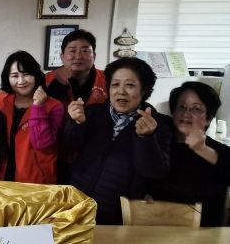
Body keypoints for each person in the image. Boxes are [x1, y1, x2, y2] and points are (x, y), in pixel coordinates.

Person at [64, 57, 171, 225]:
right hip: (76, 205)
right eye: (115, 84)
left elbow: (153, 171)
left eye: (130, 85)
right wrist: (76, 123)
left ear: (144, 90)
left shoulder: (158, 125)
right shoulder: (92, 113)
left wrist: (146, 138)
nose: (121, 91)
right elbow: (70, 147)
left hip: (117, 216)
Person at [148, 82, 230, 226]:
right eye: (181, 106)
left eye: (196, 108)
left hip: (203, 233)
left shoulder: (219, 151)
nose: (186, 113)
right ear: (173, 113)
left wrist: (203, 150)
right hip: (155, 228)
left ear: (209, 118)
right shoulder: (160, 144)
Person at [0, 51, 64, 184]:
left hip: (36, 181)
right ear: (7, 78)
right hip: (2, 176)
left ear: (36, 75)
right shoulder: (0, 101)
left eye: (26, 74)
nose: (21, 81)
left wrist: (38, 107)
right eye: (15, 76)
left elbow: (42, 144)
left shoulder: (54, 106)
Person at [45, 29, 107, 108]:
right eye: (72, 51)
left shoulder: (108, 79)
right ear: (62, 57)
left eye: (85, 51)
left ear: (94, 56)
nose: (78, 56)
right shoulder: (46, 80)